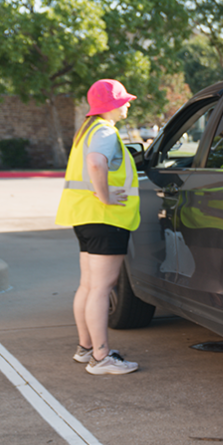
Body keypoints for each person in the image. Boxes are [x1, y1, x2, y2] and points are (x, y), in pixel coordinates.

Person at [55, 79, 143, 375]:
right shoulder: (105, 131)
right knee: (102, 288)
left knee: (89, 286)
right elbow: (96, 163)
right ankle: (101, 357)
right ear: (112, 104)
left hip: (84, 218)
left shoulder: (87, 131)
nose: (128, 104)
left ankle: (86, 349)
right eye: (124, 100)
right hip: (106, 219)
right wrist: (106, 198)